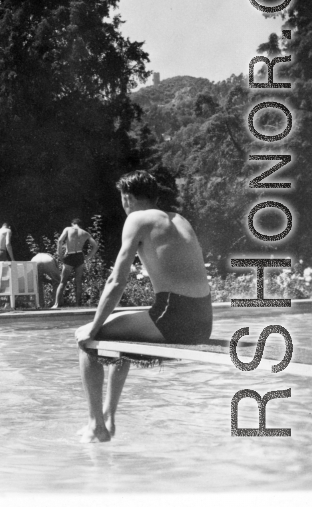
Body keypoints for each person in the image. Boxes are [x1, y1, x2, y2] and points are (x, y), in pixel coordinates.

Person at [74, 170, 212, 443]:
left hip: (174, 318)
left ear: (128, 197)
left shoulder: (137, 219)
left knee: (86, 340)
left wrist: (94, 327)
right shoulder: (179, 219)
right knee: (121, 332)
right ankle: (109, 418)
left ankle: (96, 425)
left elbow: (117, 280)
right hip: (203, 321)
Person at [54, 218, 97, 308]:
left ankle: (56, 304)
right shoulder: (85, 233)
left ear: (73, 223)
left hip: (70, 255)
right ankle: (77, 304)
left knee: (63, 282)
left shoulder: (67, 229)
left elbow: (60, 241)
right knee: (78, 282)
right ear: (80, 225)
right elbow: (95, 246)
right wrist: (88, 257)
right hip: (79, 257)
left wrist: (60, 255)